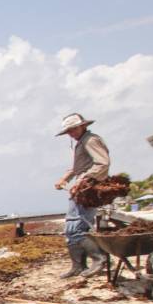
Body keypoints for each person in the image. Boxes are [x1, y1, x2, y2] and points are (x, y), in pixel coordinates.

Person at [54, 113, 110, 278]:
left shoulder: (91, 140)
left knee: (77, 228)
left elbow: (102, 163)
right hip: (80, 189)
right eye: (69, 131)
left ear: (82, 126)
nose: (71, 133)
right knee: (71, 228)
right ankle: (77, 266)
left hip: (89, 190)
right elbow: (78, 167)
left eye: (73, 129)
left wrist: (84, 180)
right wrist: (65, 179)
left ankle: (100, 259)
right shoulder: (81, 143)